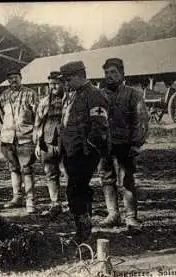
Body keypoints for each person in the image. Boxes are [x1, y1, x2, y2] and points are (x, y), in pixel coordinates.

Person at [58, 61, 110, 243]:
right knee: (80, 189)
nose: (66, 83)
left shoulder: (94, 95)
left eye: (68, 79)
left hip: (83, 152)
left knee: (74, 190)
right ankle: (85, 228)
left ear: (80, 76)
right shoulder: (72, 95)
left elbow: (100, 127)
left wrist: (88, 150)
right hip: (70, 151)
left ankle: (83, 233)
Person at [99, 58, 149, 228]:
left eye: (113, 72)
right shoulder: (100, 95)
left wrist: (136, 144)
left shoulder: (133, 94)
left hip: (125, 144)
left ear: (122, 74)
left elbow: (141, 121)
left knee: (126, 180)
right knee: (106, 179)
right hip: (105, 145)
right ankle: (113, 214)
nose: (110, 76)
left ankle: (130, 217)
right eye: (106, 73)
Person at [0, 69, 37, 213]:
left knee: (26, 169)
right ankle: (17, 197)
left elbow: (36, 116)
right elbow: (1, 116)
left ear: (21, 78)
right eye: (10, 79)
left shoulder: (30, 94)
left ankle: (30, 200)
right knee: (13, 168)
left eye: (16, 78)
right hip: (8, 138)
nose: (13, 81)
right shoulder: (4, 96)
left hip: (25, 137)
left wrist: (31, 131)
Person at [34, 71, 65, 218]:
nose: (53, 86)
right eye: (51, 84)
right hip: (48, 142)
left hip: (67, 142)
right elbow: (38, 124)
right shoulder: (44, 101)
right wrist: (38, 145)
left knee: (70, 172)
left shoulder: (70, 100)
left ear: (63, 83)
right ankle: (55, 203)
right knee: (50, 173)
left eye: (56, 84)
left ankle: (74, 204)